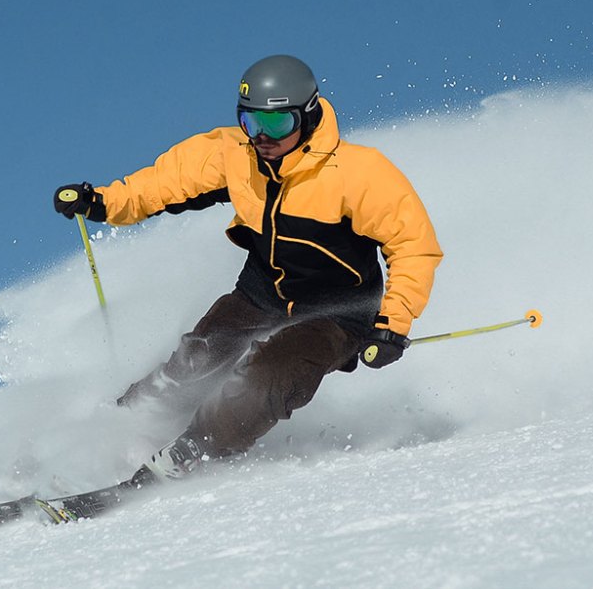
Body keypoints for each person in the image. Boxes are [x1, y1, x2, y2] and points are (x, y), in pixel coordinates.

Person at [54, 55, 442, 484]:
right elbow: (165, 182)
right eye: (250, 122)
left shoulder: (359, 173)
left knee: (267, 376)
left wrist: (392, 325)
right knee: (195, 360)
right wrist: (104, 202)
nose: (261, 137)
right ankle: (113, 431)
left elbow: (414, 246)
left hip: (339, 312)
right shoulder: (236, 155)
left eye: (275, 125)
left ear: (308, 115)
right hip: (261, 294)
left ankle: (193, 451)